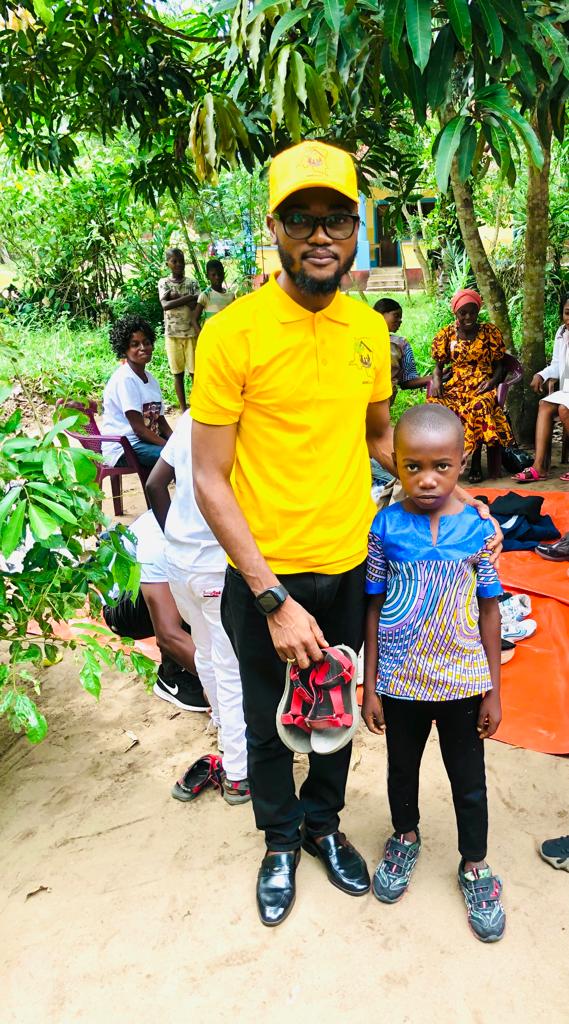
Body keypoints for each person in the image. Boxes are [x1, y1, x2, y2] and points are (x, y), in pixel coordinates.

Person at [189, 140, 500, 927]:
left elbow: (379, 438)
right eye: (300, 219)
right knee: (271, 723)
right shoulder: (231, 334)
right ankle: (278, 843)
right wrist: (271, 599)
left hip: (350, 565)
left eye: (337, 218)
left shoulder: (367, 330)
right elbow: (208, 479)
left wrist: (459, 498)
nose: (320, 235)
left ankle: (322, 828)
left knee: (331, 716)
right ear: (274, 229)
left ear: (357, 229)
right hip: (264, 576)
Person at [363, 404, 506, 943]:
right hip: (400, 682)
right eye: (413, 467)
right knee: (402, 769)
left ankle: (475, 863)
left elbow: (490, 609)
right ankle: (405, 836)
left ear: (462, 463)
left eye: (441, 466)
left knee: (469, 779)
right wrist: (371, 685)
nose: (427, 479)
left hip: (463, 682)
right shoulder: (384, 526)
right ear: (396, 463)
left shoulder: (478, 529)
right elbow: (373, 605)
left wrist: (493, 690)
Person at [146, 413, 249, 805]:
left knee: (207, 654)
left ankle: (224, 730)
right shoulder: (247, 421)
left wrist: (176, 536)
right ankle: (238, 772)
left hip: (180, 561)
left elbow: (155, 484)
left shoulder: (193, 416)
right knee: (230, 665)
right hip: (217, 563)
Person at [102, 510, 209, 713]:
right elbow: (168, 635)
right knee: (189, 586)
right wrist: (222, 683)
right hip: (122, 606)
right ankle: (173, 674)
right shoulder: (159, 543)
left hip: (163, 574)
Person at [428, 288, 514, 483]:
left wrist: (492, 382)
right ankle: (443, 460)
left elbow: (501, 367)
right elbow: (438, 367)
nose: (468, 317)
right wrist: (437, 380)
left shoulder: (490, 332)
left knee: (477, 407)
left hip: (483, 385)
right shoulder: (446, 334)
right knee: (435, 406)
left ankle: (474, 461)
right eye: (463, 313)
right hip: (457, 386)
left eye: (473, 312)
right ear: (455, 313)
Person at [101, 315, 172, 468]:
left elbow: (161, 422)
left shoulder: (151, 380)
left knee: (187, 452)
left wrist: (176, 442)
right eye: (135, 344)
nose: (143, 348)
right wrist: (170, 448)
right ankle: (156, 484)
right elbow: (139, 430)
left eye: (146, 343)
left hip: (144, 443)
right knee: (174, 458)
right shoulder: (125, 379)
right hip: (124, 447)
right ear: (124, 350)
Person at [512, 294, 569, 484]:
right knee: (544, 404)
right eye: (567, 313)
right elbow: (557, 365)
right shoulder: (562, 333)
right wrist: (541, 375)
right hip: (567, 390)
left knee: (564, 409)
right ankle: (539, 467)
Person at [158, 247, 200, 411]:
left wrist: (178, 298)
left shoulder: (192, 283)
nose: (178, 264)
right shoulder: (164, 283)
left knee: (195, 373)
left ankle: (197, 406)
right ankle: (183, 409)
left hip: (191, 334)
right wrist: (188, 298)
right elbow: (165, 305)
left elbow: (196, 305)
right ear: (167, 264)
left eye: (181, 261)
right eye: (174, 261)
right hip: (172, 335)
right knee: (178, 374)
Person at [373, 298, 431, 404]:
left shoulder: (401, 345)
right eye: (396, 316)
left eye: (401, 317)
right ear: (379, 315)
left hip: (383, 401)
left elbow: (407, 381)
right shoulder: (356, 339)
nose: (400, 321)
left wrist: (435, 377)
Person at [194, 259, 235, 333]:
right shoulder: (205, 295)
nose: (217, 277)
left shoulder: (230, 296)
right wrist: (203, 337)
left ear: (224, 274)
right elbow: (194, 320)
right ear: (207, 276)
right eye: (213, 275)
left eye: (220, 274)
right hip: (212, 335)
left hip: (226, 335)